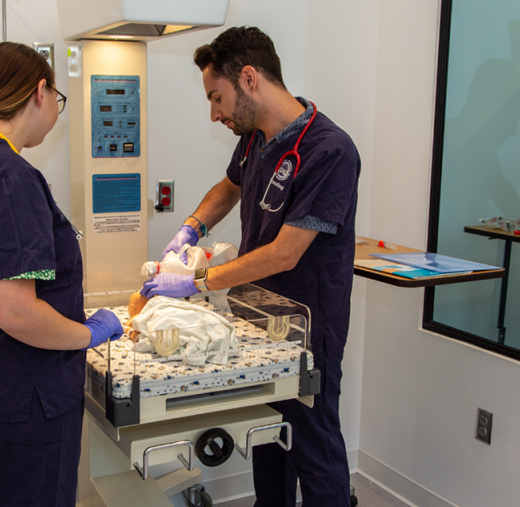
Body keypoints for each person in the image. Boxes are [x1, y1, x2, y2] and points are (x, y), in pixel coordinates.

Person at [141, 27, 360, 507]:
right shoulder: (257, 136)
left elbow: (285, 252)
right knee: (269, 437)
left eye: (217, 97)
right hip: (261, 317)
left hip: (309, 324)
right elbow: (228, 187)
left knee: (314, 445)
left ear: (248, 78)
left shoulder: (329, 150)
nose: (214, 112)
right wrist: (191, 229)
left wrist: (196, 282)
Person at [0, 43, 122, 506]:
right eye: (58, 98)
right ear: (39, 92)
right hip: (26, 401)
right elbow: (14, 309)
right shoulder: (8, 177)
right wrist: (87, 334)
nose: (56, 110)